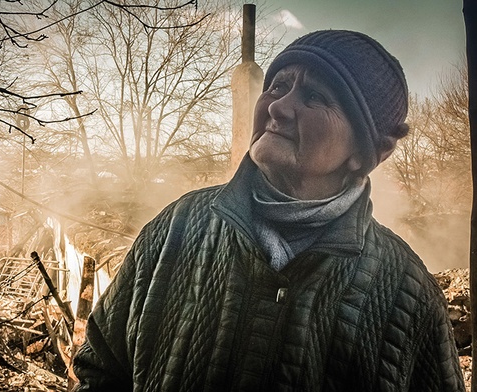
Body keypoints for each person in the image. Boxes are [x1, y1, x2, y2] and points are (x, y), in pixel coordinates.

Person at [72, 30, 464, 391]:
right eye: (277, 86)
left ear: (367, 153)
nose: (279, 106)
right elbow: (100, 372)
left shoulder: (406, 295)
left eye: (315, 97)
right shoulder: (174, 229)